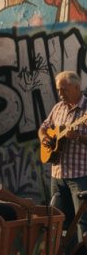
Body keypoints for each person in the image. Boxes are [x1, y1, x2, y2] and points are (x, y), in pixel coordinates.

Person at [39, 71, 87, 235]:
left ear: (76, 87)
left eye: (63, 90)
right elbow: (43, 128)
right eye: (58, 90)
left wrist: (78, 137)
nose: (60, 94)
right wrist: (45, 139)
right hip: (57, 175)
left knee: (83, 221)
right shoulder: (58, 107)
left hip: (80, 176)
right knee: (58, 220)